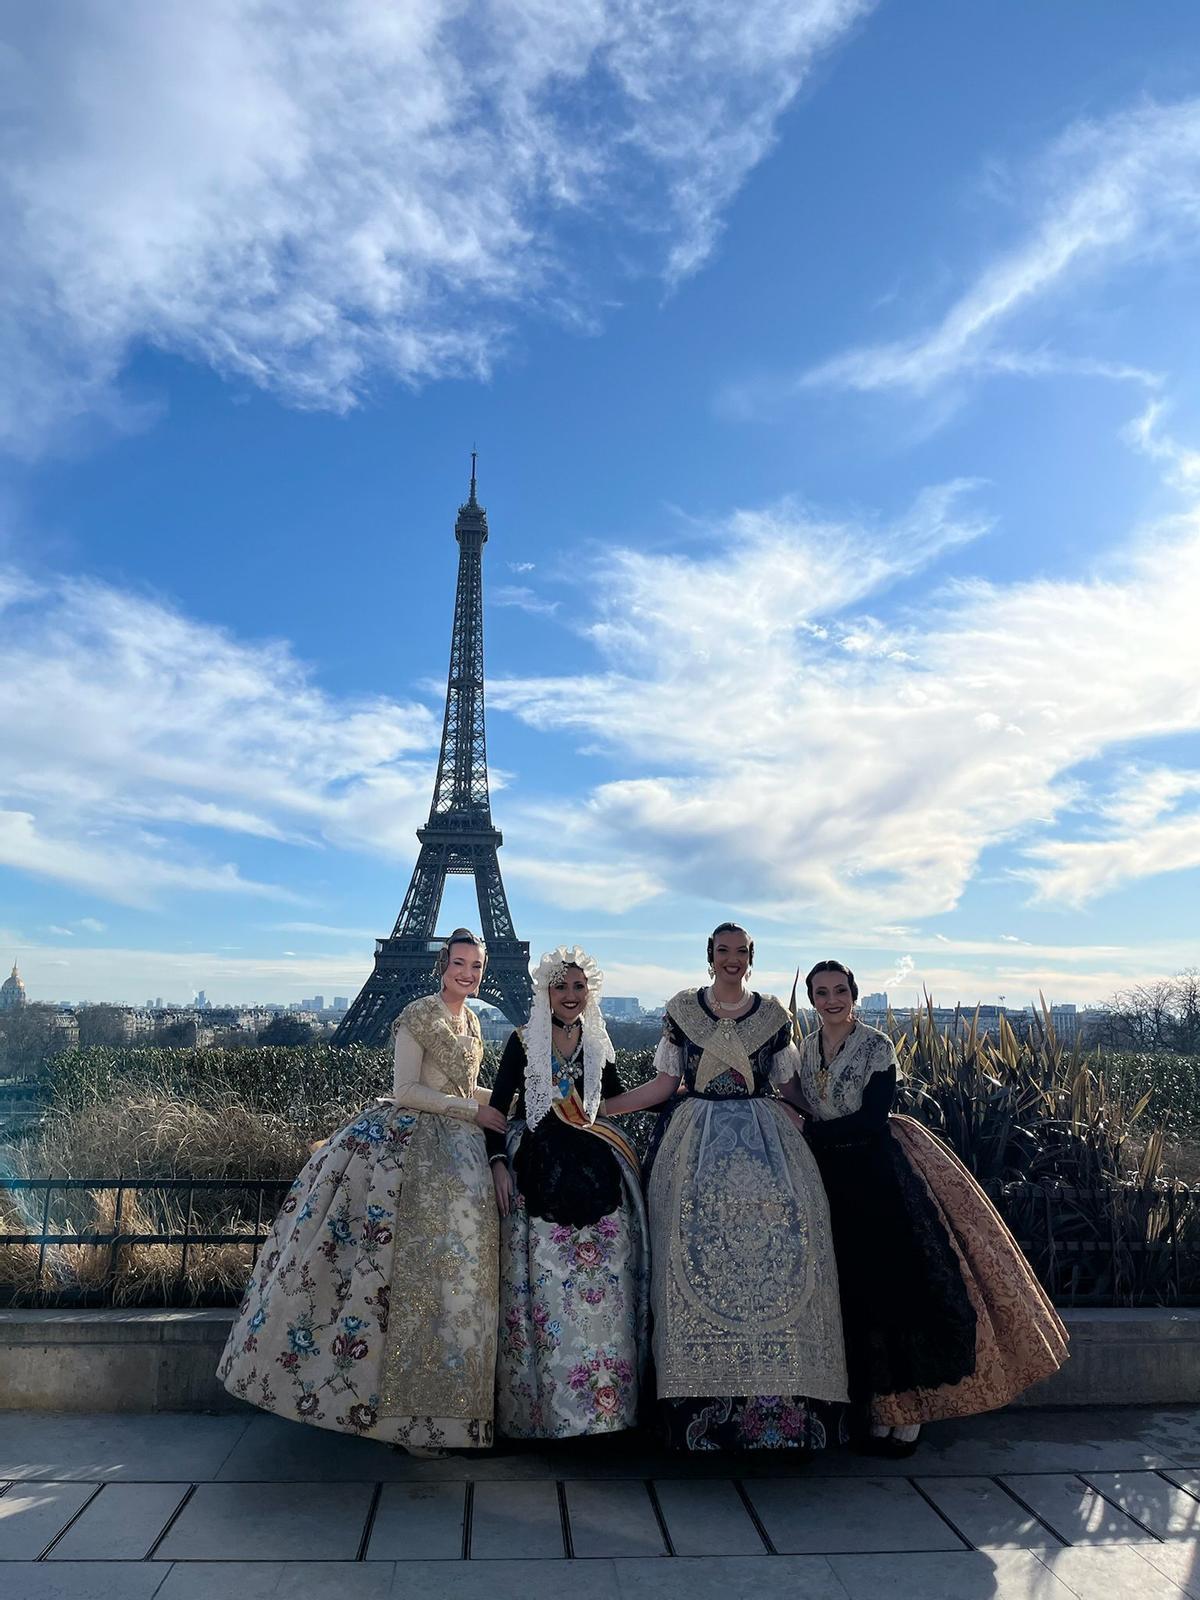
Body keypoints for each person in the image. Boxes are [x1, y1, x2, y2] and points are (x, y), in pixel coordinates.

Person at [217, 929, 508, 1452]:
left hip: (458, 1159)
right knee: (400, 1281)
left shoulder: (473, 1019)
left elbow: (462, 1088)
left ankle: (438, 1410)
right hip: (420, 1152)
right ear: (443, 964)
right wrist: (477, 1112)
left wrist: (512, 1104)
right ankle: (397, 1416)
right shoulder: (417, 1015)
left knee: (451, 1285)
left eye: (477, 967)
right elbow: (406, 1091)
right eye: (460, 963)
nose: (469, 974)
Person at [784, 960, 1069, 1456]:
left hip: (878, 1175)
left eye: (840, 990)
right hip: (829, 1177)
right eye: (822, 992)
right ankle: (881, 1409)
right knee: (856, 1295)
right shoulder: (805, 1049)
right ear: (811, 999)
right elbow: (803, 1101)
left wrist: (811, 1132)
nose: (832, 1000)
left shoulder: (877, 1045)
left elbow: (872, 1118)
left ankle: (911, 1415)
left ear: (854, 993)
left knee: (898, 1288)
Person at [603, 922, 848, 1451]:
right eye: (723, 951)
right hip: (693, 1150)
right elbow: (667, 1085)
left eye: (741, 952)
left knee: (785, 1261)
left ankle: (785, 1416)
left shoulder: (775, 1018)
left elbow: (789, 1088)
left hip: (770, 1146)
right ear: (709, 956)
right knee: (689, 1260)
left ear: (751, 957)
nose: (732, 960)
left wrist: (838, 1124)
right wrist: (602, 1108)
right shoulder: (681, 1010)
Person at [487, 946, 649, 1438]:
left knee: (606, 1288)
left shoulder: (598, 1041)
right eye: (562, 987)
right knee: (545, 1291)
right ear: (546, 991)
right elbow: (497, 1108)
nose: (571, 995)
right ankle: (547, 1415)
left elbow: (612, 1102)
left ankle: (603, 1415)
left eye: (579, 987)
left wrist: (671, 1093)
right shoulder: (522, 1041)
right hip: (539, 1169)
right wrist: (497, 1163)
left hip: (595, 1168)